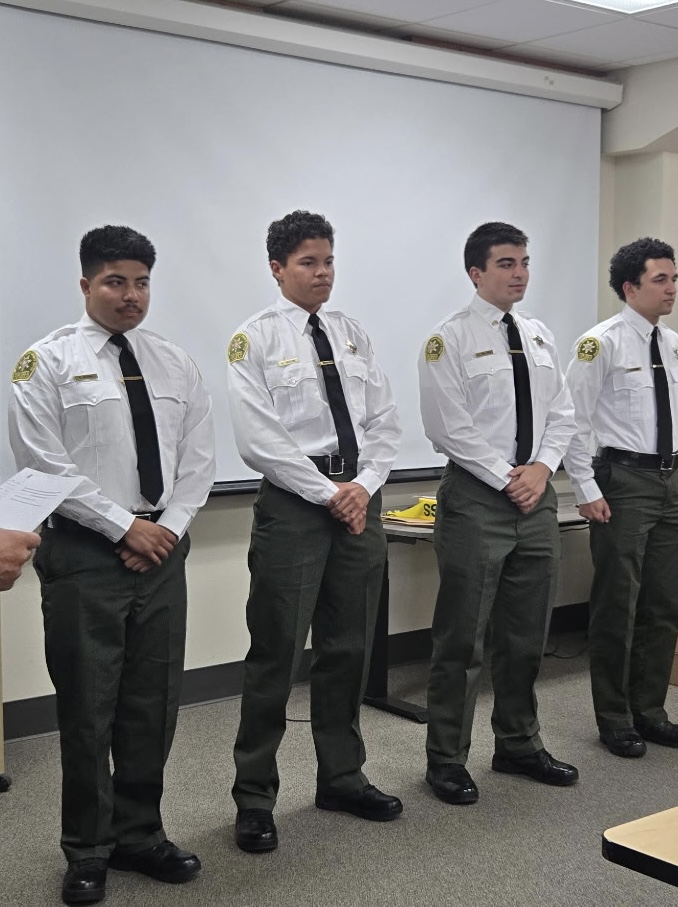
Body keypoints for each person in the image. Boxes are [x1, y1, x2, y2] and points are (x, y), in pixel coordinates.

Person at [9, 225, 215, 905]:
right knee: (89, 707)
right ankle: (87, 849)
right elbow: (47, 466)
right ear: (86, 284)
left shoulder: (175, 362)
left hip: (162, 549)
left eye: (142, 282)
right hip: (85, 555)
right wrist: (126, 525)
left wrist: (168, 529)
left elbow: (198, 461)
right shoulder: (46, 363)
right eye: (115, 282)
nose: (131, 296)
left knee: (152, 703)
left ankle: (140, 834)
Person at [227, 210, 403, 853]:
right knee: (275, 653)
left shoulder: (351, 332)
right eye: (308, 262)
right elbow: (258, 440)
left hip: (359, 499)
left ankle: (342, 776)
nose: (323, 273)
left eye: (328, 260)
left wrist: (365, 485)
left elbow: (384, 419)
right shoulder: (254, 339)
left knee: (349, 648)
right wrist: (331, 493)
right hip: (297, 508)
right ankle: (254, 796)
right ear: (277, 268)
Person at [418, 221, 579, 806]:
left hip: (536, 498)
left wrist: (541, 470)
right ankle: (446, 759)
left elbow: (563, 410)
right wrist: (507, 478)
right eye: (507, 263)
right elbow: (446, 425)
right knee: (462, 637)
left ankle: (517, 743)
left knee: (526, 634)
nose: (520, 273)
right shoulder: (449, 339)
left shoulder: (539, 336)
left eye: (525, 262)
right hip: (478, 500)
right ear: (476, 273)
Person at [563, 237, 678, 758]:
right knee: (620, 601)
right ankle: (614, 716)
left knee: (663, 603)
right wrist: (585, 489)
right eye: (660, 280)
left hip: (669, 482)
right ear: (629, 287)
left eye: (674, 278)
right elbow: (571, 422)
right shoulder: (601, 343)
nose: (672, 289)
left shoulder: (676, 343)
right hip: (622, 481)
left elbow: (677, 420)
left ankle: (651, 708)